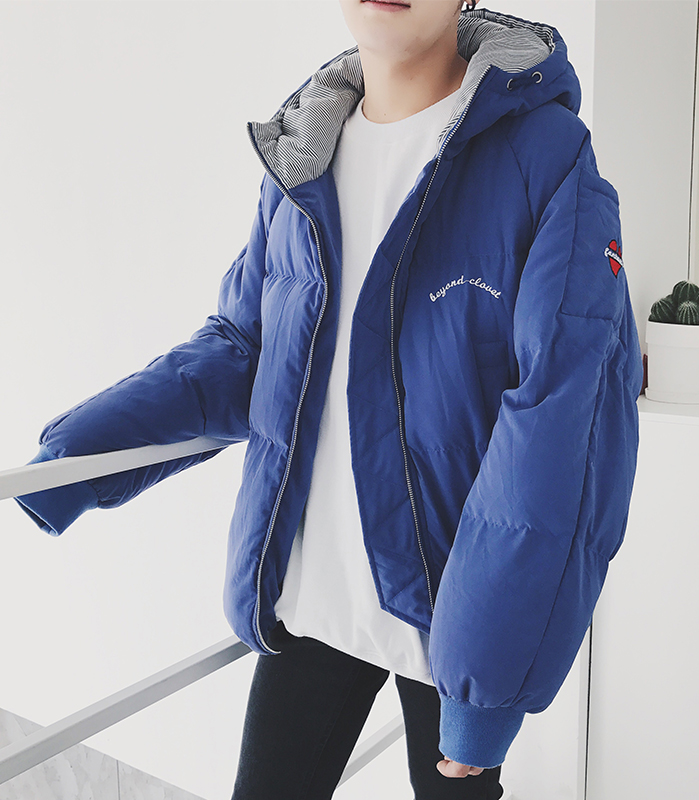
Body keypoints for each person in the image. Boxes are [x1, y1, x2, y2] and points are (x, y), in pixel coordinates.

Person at [14, 0, 643, 797]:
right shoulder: (303, 152)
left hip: (454, 621)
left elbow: (562, 419)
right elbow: (245, 349)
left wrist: (484, 696)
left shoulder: (546, 157)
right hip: (312, 598)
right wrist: (73, 460)